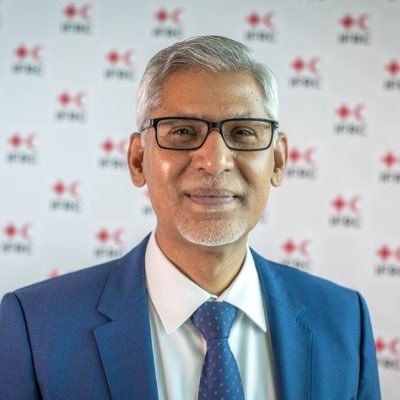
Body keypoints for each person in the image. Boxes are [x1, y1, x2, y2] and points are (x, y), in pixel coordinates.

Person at [0, 36, 380, 400]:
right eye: (182, 131)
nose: (215, 162)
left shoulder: (345, 320)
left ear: (278, 161)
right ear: (138, 160)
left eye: (243, 132)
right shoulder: (35, 326)